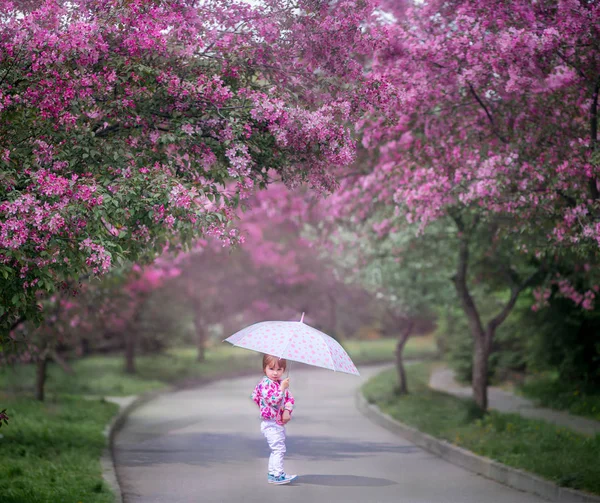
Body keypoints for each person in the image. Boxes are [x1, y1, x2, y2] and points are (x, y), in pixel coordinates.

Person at [251, 354, 297, 485]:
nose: (275, 373)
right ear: (264, 369)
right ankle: (278, 474)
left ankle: (273, 473)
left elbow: (290, 399)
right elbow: (272, 400)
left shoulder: (279, 383)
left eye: (279, 369)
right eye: (271, 369)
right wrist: (282, 389)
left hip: (278, 422)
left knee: (277, 448)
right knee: (279, 449)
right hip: (270, 423)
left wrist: (287, 410)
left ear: (284, 370)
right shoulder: (265, 384)